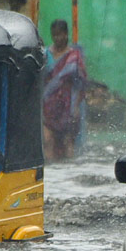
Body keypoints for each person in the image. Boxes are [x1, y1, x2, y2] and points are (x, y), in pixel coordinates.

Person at [43, 19, 88, 161]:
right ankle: (53, 178)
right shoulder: (45, 55)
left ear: (67, 34)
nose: (58, 38)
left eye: (61, 35)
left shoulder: (74, 56)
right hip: (49, 107)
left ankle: (68, 176)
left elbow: (81, 83)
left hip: (69, 107)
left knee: (68, 143)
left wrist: (76, 107)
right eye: (55, 35)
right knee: (48, 141)